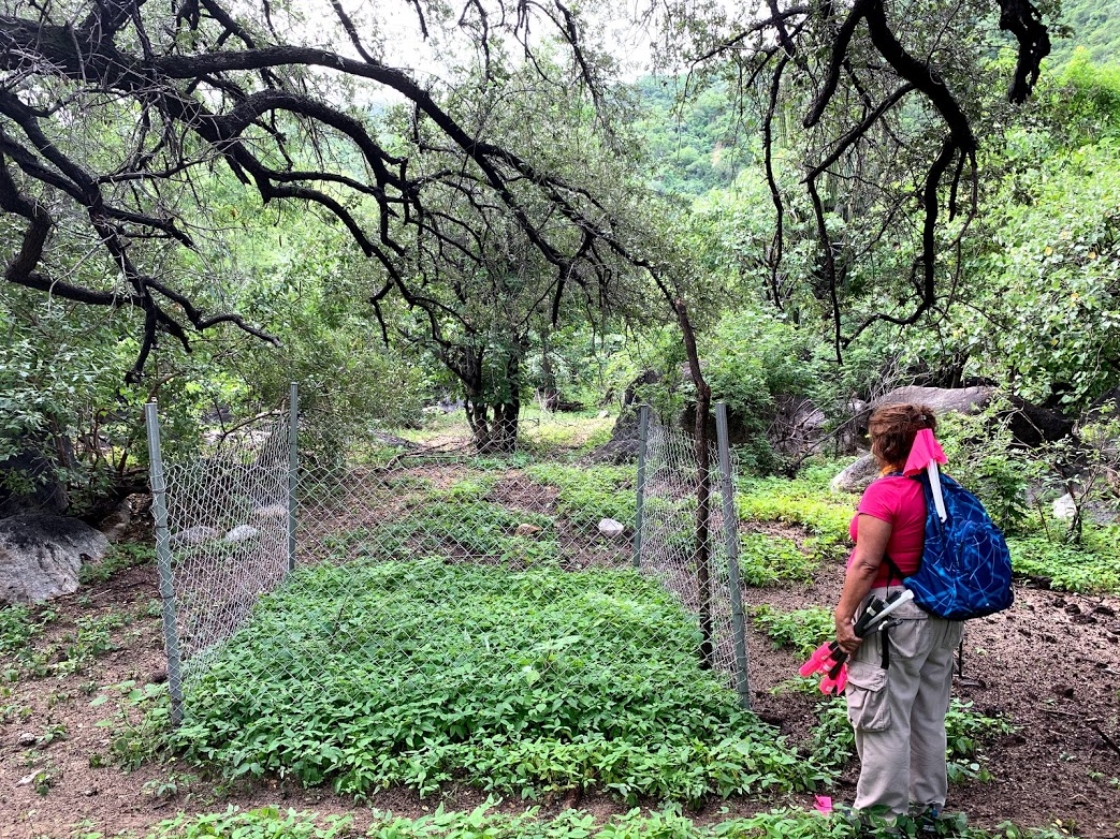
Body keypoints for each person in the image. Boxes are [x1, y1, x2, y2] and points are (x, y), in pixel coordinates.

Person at [833, 403, 963, 821]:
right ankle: (927, 811)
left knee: (883, 716)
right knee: (928, 715)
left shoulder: (885, 492)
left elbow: (867, 563)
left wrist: (843, 615)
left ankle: (879, 819)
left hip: (895, 617)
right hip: (943, 614)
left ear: (883, 444)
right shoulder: (943, 489)